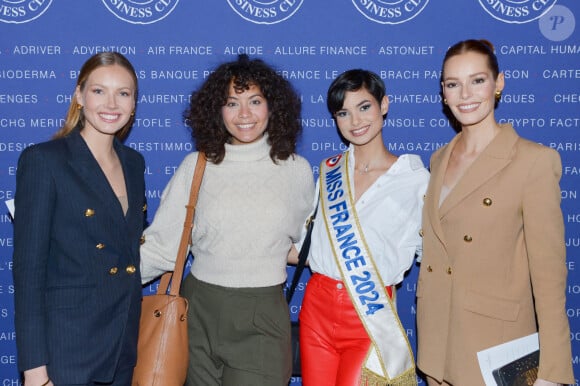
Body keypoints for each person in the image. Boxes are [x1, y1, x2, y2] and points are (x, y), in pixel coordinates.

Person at [139, 54, 314, 386]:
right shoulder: (196, 165)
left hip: (262, 318)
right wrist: (103, 283)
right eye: (232, 103)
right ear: (217, 111)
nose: (244, 114)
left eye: (255, 101)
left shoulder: (297, 171)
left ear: (272, 106)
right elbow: (162, 247)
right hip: (197, 313)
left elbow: (306, 247)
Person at [416, 39, 574, 386]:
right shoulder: (439, 159)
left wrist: (552, 372)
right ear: (443, 93)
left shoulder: (533, 161)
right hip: (437, 346)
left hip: (495, 351)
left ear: (498, 83)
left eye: (478, 80)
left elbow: (549, 278)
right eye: (453, 84)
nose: (465, 94)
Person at [13, 52, 146, 386]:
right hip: (67, 352)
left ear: (134, 104)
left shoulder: (134, 163)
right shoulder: (45, 161)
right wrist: (34, 370)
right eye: (99, 91)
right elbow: (29, 273)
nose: (111, 103)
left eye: (124, 93)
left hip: (121, 347)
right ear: (79, 95)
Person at [296, 69, 429, 386]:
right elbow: (304, 246)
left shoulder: (415, 180)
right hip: (317, 307)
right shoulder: (330, 172)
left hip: (369, 314)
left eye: (364, 107)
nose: (355, 121)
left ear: (384, 105)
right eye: (344, 112)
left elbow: (434, 257)